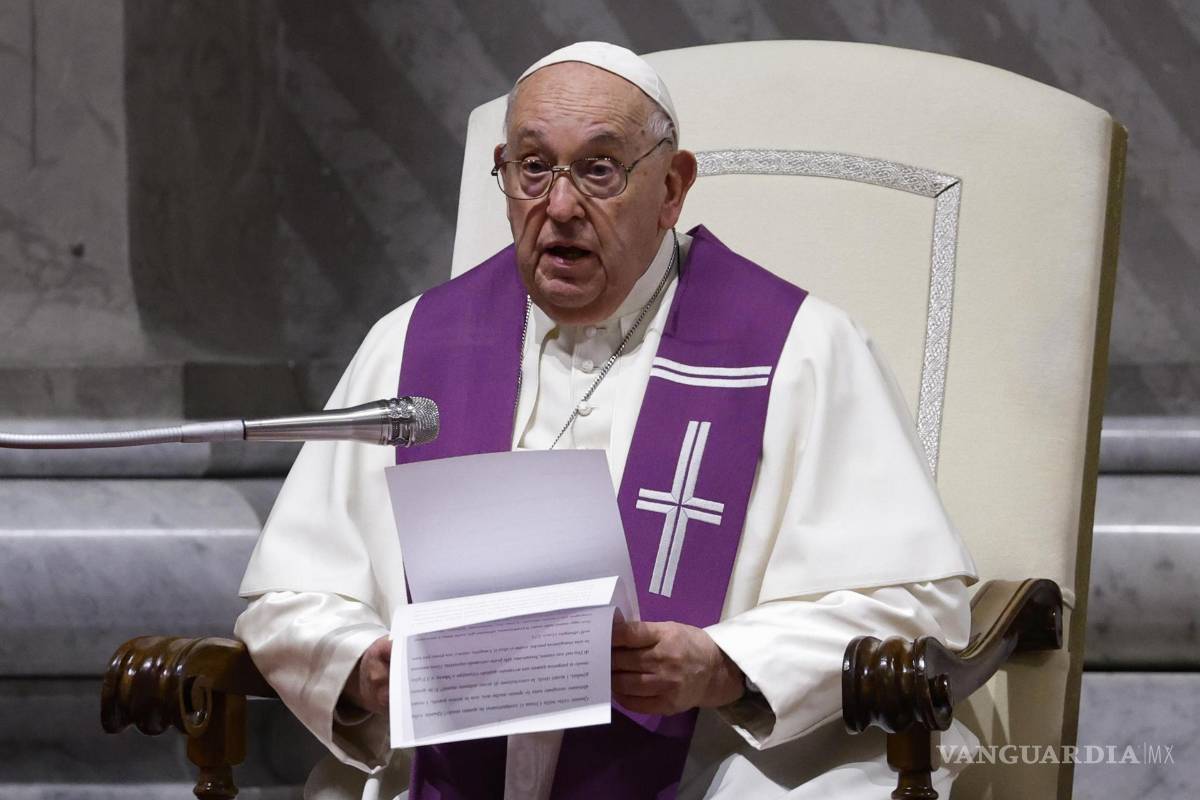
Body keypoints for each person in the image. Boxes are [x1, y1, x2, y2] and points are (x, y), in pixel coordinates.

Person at [235, 42, 978, 799]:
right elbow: (291, 596)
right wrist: (362, 666)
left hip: (703, 774)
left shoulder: (797, 351)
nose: (558, 206)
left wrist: (723, 666)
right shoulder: (412, 346)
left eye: (599, 170)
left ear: (673, 188)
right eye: (532, 167)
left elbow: (913, 607)